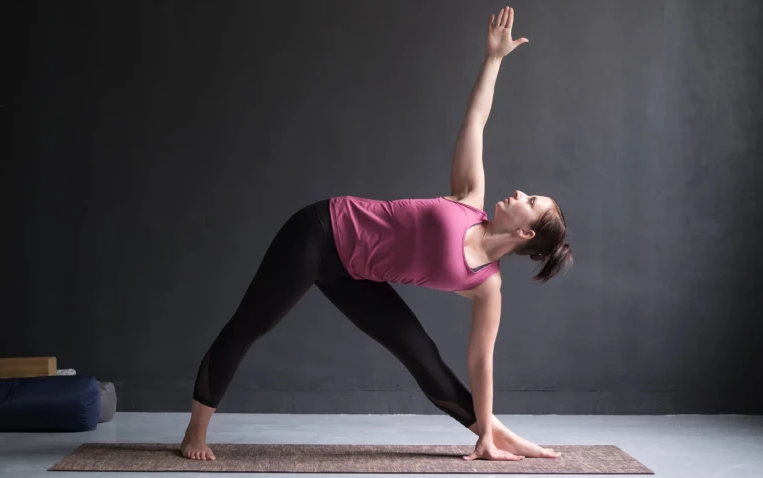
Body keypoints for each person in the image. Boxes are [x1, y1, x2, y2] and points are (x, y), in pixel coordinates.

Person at [181, 6, 572, 462]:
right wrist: (493, 60)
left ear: (526, 231)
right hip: (320, 233)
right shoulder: (470, 199)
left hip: (355, 274)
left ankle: (493, 436)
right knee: (251, 325)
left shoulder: (488, 286)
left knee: (420, 353)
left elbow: (480, 363)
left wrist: (485, 426)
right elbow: (476, 122)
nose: (520, 191)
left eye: (531, 200)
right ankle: (195, 432)